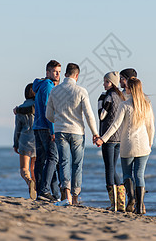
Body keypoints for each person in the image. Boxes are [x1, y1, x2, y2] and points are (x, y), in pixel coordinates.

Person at [96, 77, 154, 214]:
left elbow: (115, 125)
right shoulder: (147, 105)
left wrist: (103, 139)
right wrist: (150, 144)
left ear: (130, 89)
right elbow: (151, 127)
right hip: (144, 146)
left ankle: (132, 197)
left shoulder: (125, 105)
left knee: (127, 174)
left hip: (128, 145)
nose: (125, 89)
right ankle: (139, 207)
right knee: (139, 175)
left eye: (127, 87)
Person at [46, 63, 99, 205]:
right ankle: (75, 197)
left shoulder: (55, 91)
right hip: (77, 131)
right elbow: (89, 114)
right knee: (77, 164)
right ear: (77, 75)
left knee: (64, 162)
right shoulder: (81, 91)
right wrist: (95, 133)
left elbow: (48, 114)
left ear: (65, 74)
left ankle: (67, 193)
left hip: (60, 130)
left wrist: (58, 121)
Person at [33, 60, 61, 201]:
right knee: (53, 158)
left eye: (59, 72)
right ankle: (44, 190)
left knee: (42, 160)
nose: (58, 74)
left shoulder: (40, 86)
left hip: (38, 127)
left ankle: (48, 193)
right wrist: (53, 130)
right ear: (48, 72)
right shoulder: (48, 86)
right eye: (55, 71)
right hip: (45, 127)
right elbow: (47, 109)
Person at [97, 71, 126, 211]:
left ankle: (114, 203)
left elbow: (102, 115)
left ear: (112, 83)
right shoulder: (120, 97)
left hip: (107, 137)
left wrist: (99, 101)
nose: (104, 84)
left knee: (109, 168)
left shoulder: (109, 96)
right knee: (113, 167)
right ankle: (121, 202)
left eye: (106, 81)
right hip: (118, 137)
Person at [13, 83, 37, 200]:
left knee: (24, 168)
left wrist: (15, 143)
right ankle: (36, 192)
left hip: (24, 140)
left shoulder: (20, 109)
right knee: (34, 168)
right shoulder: (39, 106)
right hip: (37, 140)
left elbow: (17, 128)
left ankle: (29, 182)